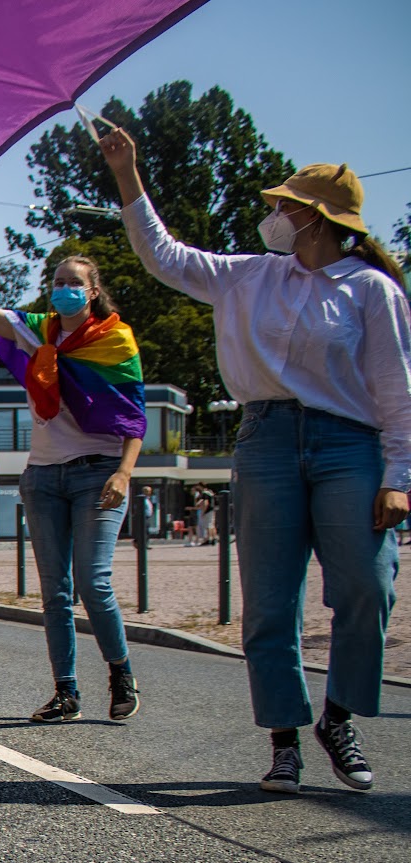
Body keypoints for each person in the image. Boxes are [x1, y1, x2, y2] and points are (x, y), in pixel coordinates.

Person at [102, 127, 410, 793]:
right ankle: (284, 740)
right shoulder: (248, 275)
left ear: (316, 218)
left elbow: (397, 390)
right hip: (264, 440)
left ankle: (339, 716)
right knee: (270, 604)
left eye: (286, 205)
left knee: (369, 583)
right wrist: (128, 174)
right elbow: (162, 256)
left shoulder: (371, 290)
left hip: (348, 445)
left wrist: (399, 478)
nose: (275, 214)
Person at [0, 228, 145, 719]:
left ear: (92, 292)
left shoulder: (115, 341)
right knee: (55, 591)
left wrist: (124, 472)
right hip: (43, 477)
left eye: (73, 282)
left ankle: (120, 670)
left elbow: (134, 417)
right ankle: (67, 691)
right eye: (57, 281)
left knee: (92, 581)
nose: (63, 288)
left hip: (98, 474)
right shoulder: (37, 330)